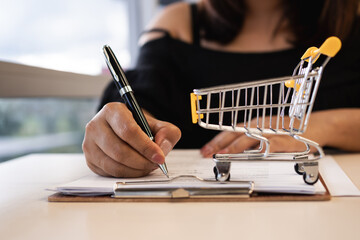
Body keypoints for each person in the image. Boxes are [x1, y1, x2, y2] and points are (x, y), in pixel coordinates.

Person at [83, 0, 360, 178]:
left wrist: (316, 126)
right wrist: (123, 131)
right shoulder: (176, 25)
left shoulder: (351, 26)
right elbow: (143, 98)